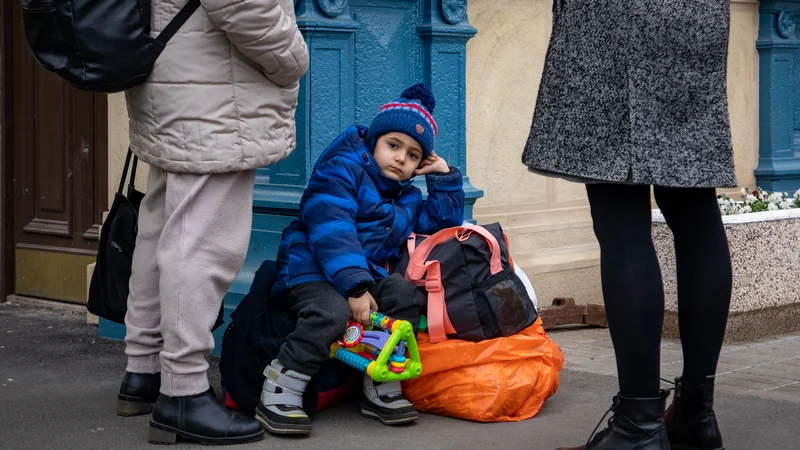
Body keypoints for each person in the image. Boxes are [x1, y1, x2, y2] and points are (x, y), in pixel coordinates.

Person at [523, 1, 734, 449]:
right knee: (695, 211)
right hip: (696, 17)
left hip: (614, 19)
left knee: (622, 226)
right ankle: (696, 415)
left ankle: (638, 427)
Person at [115, 0, 309, 445]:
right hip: (218, 93)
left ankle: (143, 372)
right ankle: (182, 392)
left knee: (163, 228)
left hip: (177, 77)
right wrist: (294, 57)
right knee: (202, 243)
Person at [256, 84, 465, 436]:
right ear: (374, 142)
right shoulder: (341, 170)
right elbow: (331, 227)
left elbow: (442, 224)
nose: (401, 158)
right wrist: (354, 287)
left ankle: (381, 381)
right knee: (331, 312)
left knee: (401, 292)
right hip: (309, 268)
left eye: (413, 155)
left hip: (361, 275)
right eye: (393, 145)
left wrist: (444, 177)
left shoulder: (408, 196)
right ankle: (282, 384)